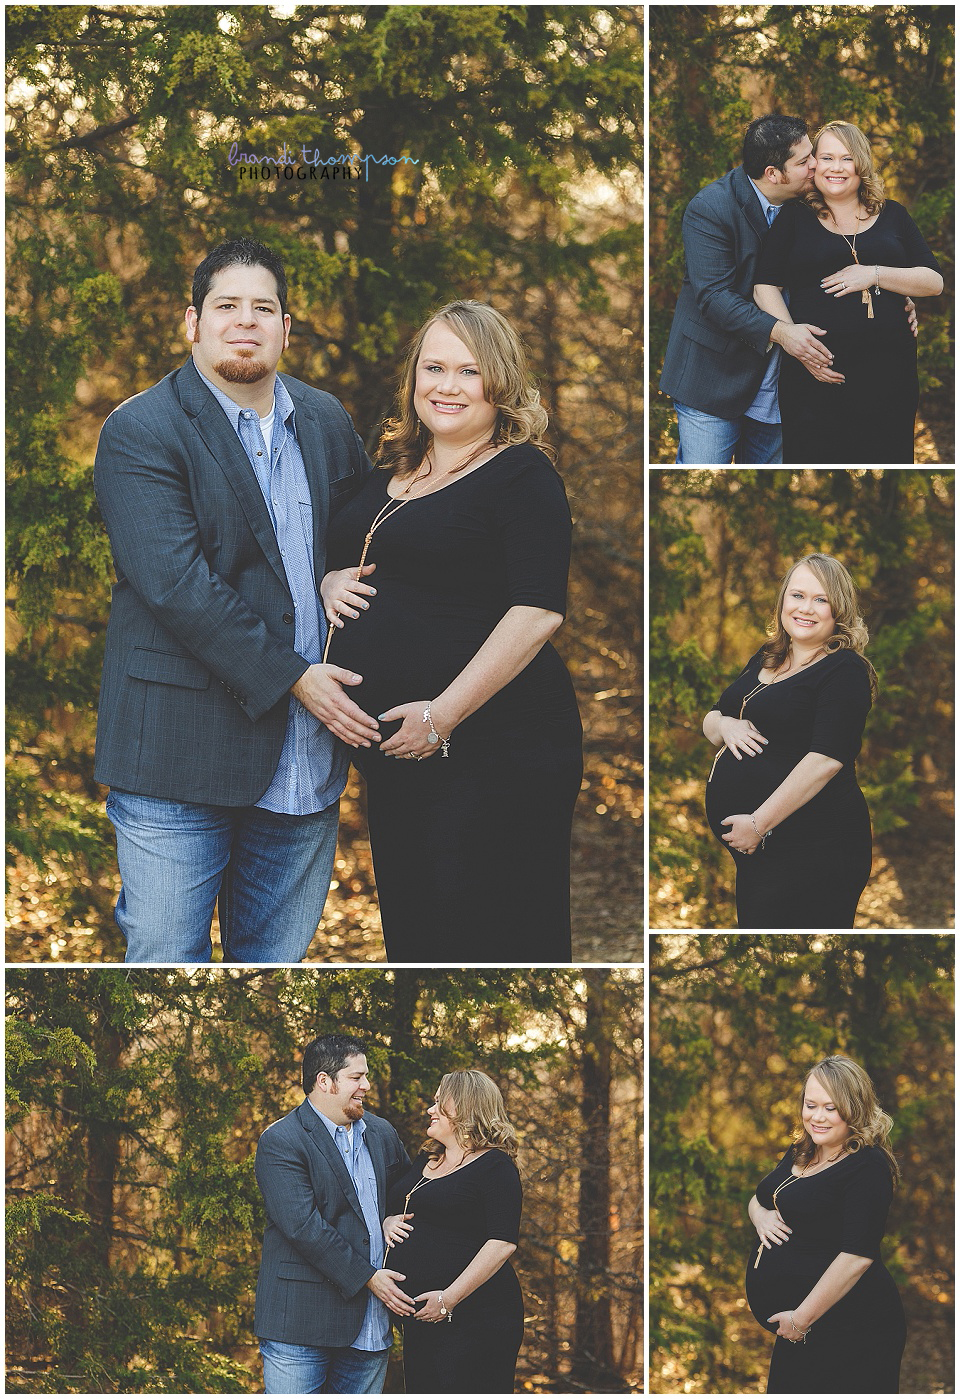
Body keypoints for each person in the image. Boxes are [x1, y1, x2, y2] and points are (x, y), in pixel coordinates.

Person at [93, 238, 381, 963]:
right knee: (165, 963)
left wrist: (335, 572)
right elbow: (175, 584)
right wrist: (293, 675)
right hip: (174, 758)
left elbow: (369, 534)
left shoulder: (325, 421)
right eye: (227, 306)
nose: (245, 321)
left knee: (273, 973)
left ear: (288, 327)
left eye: (264, 307)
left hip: (302, 764)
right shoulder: (141, 430)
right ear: (193, 322)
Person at [321, 300, 582, 960]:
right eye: (433, 367)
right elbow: (350, 551)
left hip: (498, 747)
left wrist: (444, 714)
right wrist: (330, 580)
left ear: (500, 383)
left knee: (493, 927)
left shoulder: (521, 475)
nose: (446, 385)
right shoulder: (390, 474)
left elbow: (537, 611)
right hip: (404, 758)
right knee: (418, 930)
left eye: (468, 371)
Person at [658, 114, 917, 464]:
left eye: (814, 154)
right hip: (714, 378)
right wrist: (784, 333)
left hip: (780, 385)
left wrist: (892, 293)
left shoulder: (810, 204)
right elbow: (715, 298)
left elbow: (836, 262)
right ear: (773, 174)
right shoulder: (711, 208)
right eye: (805, 161)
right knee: (705, 473)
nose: (816, 166)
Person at [754, 120, 943, 464]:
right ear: (814, 166)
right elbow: (764, 285)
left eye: (846, 158)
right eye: (826, 158)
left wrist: (873, 274)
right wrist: (793, 338)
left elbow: (933, 281)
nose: (836, 168)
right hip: (815, 377)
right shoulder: (794, 218)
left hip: (889, 380)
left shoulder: (894, 215)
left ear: (861, 163)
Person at [703, 553, 875, 929]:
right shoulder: (767, 657)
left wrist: (758, 823)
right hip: (762, 850)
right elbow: (712, 716)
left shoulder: (843, 669)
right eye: (797, 595)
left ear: (838, 609)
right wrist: (727, 725)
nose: (806, 608)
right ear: (783, 600)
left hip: (817, 847)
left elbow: (827, 759)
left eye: (820, 599)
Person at [254, 1033, 414, 1395]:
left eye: (365, 1076)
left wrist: (391, 1216)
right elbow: (302, 1227)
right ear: (324, 1081)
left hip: (370, 1328)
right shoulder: (282, 1140)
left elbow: (409, 1193)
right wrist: (369, 1278)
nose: (366, 1086)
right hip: (300, 1327)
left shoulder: (381, 1132)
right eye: (356, 1078)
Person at [746, 1055, 906, 1393]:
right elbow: (763, 1197)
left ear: (854, 1109)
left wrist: (800, 1320)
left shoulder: (868, 1166)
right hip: (801, 1328)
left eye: (831, 1108)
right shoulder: (803, 1148)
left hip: (851, 1326)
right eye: (811, 1104)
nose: (817, 1117)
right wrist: (760, 1216)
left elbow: (858, 1256)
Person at [382, 1070, 524, 1394]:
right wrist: (386, 1222)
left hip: (478, 1317)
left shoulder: (495, 1167)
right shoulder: (426, 1158)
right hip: (423, 1318)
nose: (430, 1110)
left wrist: (449, 1299)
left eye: (438, 1103)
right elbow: (395, 1203)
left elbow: (502, 1242)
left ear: (463, 1107)